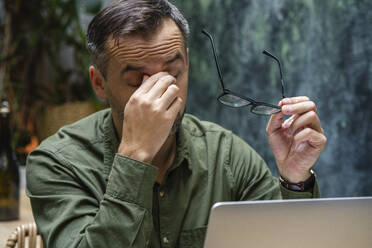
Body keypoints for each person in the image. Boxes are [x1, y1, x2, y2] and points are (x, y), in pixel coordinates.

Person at [26, 0, 327, 247]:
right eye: (137, 81)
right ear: (99, 83)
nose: (162, 93)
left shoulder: (226, 155)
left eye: (173, 74)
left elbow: (285, 240)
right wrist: (135, 156)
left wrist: (295, 179)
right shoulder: (57, 162)